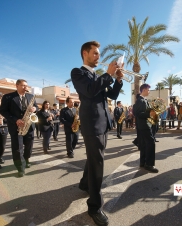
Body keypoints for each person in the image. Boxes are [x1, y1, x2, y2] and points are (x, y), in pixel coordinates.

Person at [71, 41, 123, 226]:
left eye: (99, 53)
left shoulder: (96, 75)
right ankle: (94, 207)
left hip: (103, 124)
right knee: (97, 161)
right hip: (92, 124)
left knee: (94, 158)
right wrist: (108, 74)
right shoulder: (78, 72)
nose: (98, 57)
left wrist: (117, 80)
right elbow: (90, 91)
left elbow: (112, 96)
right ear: (85, 53)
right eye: (95, 53)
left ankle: (85, 184)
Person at [0, 79, 38, 177]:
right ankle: (20, 167)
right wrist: (15, 119)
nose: (26, 88)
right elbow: (3, 111)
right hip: (16, 126)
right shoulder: (8, 97)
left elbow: (36, 107)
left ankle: (26, 159)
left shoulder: (30, 96)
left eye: (26, 85)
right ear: (17, 86)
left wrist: (34, 109)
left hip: (29, 125)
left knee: (29, 146)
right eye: (23, 85)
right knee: (17, 148)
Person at [133, 83, 158, 173]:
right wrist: (149, 114)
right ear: (143, 90)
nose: (149, 91)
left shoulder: (143, 100)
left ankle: (143, 162)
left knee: (143, 144)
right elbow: (138, 113)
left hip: (144, 125)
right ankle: (149, 164)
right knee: (151, 143)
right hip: (144, 125)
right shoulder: (140, 100)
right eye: (148, 90)